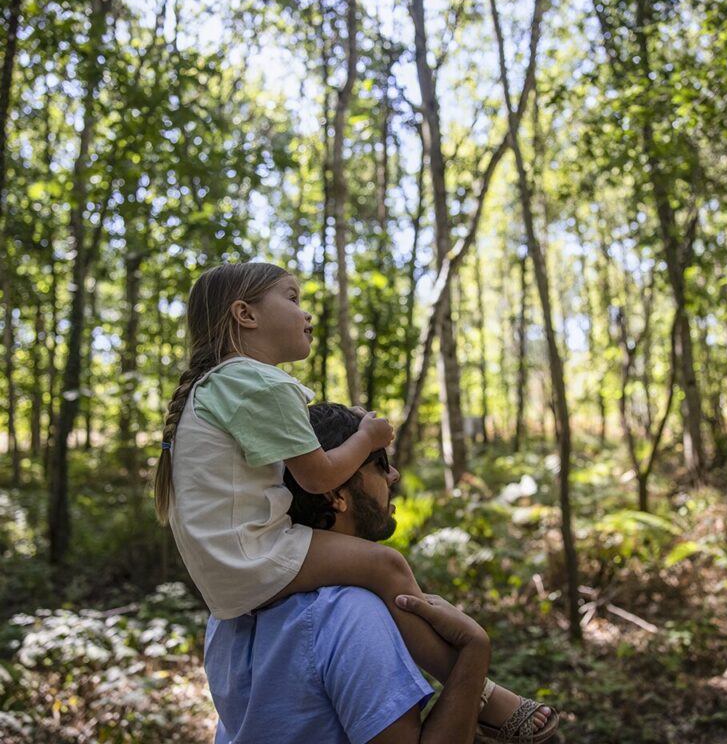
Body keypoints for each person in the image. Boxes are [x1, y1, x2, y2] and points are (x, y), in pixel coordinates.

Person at [155, 262, 557, 742]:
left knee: (381, 568)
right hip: (252, 554)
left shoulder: (217, 386)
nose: (306, 313)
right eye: (292, 297)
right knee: (385, 566)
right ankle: (482, 693)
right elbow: (318, 473)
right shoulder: (256, 382)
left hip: (223, 577)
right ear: (245, 314)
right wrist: (367, 438)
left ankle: (480, 694)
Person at [206, 402, 558, 743]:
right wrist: (473, 653)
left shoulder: (230, 611)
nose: (394, 475)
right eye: (379, 463)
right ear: (335, 493)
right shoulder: (350, 612)